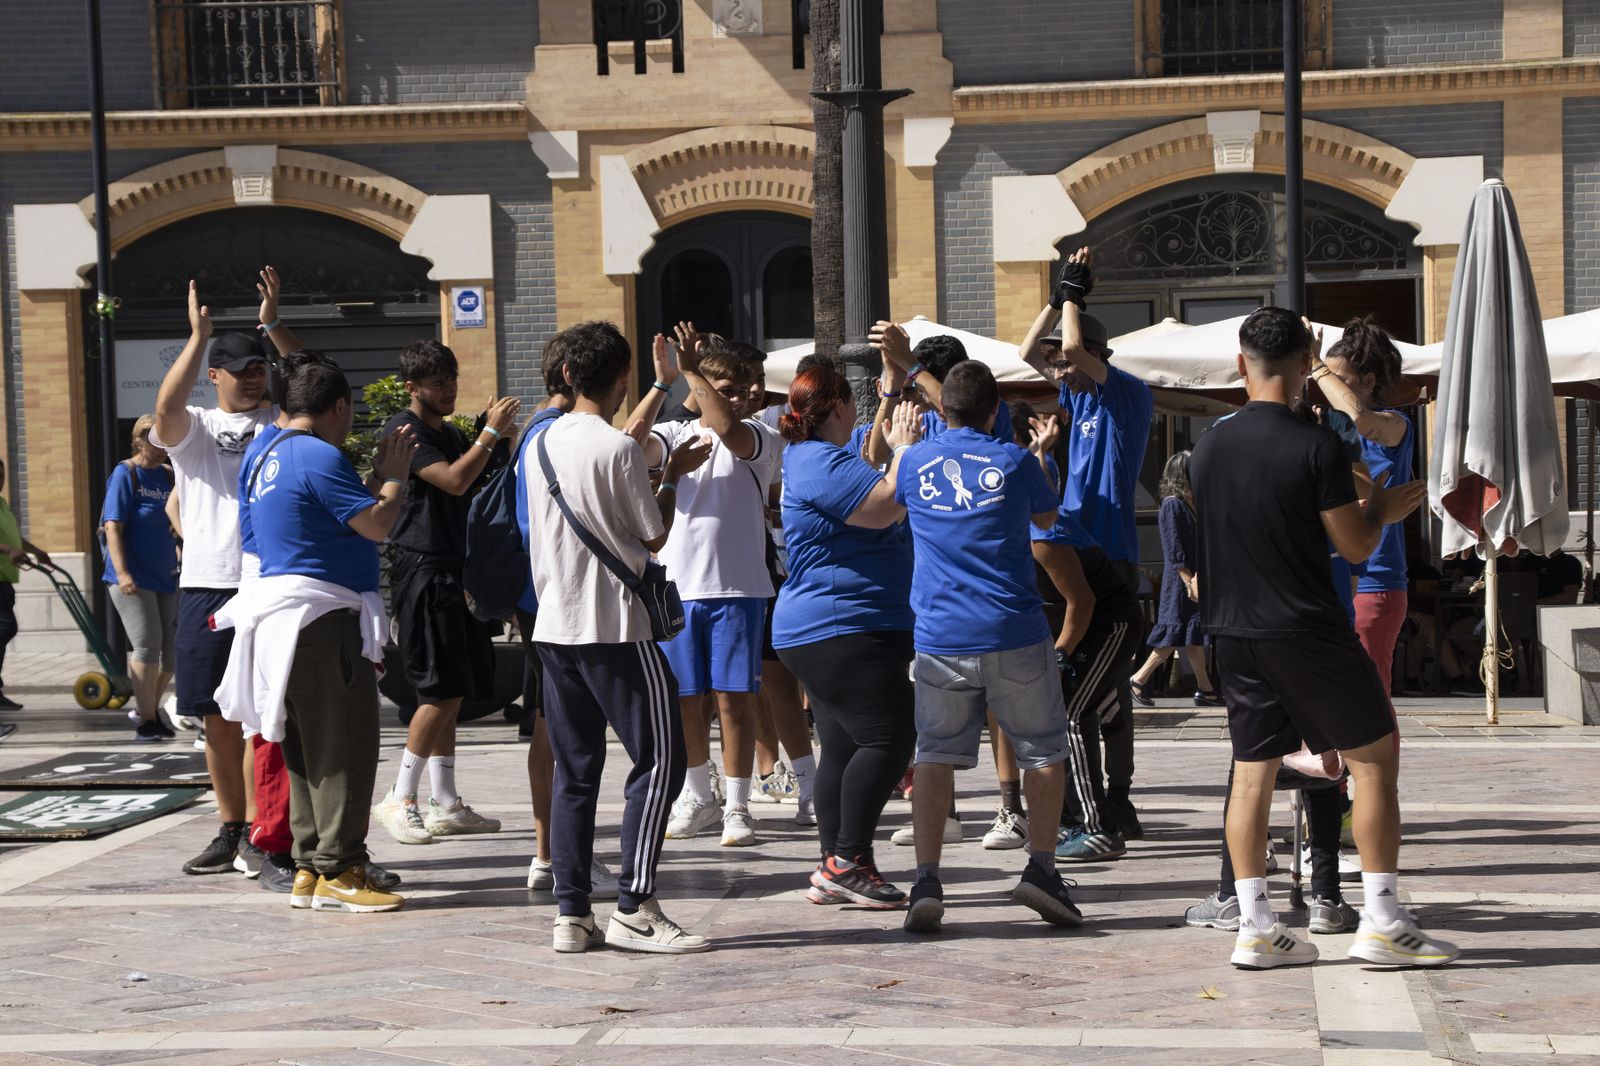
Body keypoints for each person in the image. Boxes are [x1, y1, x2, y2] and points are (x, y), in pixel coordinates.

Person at [1190, 306, 1453, 969]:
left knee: (1251, 777)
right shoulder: (1317, 446)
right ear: (1310, 357)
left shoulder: (1210, 445)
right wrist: (1382, 510)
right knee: (1373, 763)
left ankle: (1255, 927)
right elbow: (1358, 546)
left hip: (1234, 632)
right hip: (1306, 628)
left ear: (1242, 359)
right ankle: (1383, 921)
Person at [527, 320, 712, 955]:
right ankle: (633, 905)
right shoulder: (616, 449)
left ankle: (572, 912)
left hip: (555, 624)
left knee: (574, 771)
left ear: (568, 376)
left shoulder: (539, 444)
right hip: (616, 625)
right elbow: (653, 533)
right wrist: (672, 478)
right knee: (663, 759)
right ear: (622, 379)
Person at [894, 359, 1084, 935]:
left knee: (933, 755)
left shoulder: (916, 461)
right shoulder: (1017, 461)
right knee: (1043, 751)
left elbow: (887, 506)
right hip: (1013, 631)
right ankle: (1041, 869)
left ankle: (927, 878)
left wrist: (902, 448)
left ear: (939, 410)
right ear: (996, 410)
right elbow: (1049, 515)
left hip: (940, 636)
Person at [240, 360, 416, 912]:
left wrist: (370, 483)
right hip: (323, 619)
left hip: (282, 619)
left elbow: (307, 520)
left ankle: (309, 867)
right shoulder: (317, 453)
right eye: (349, 414)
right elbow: (377, 524)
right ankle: (340, 869)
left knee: (303, 749)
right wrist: (394, 475)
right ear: (339, 406)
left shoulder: (262, 454)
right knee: (344, 746)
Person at [772, 364, 924, 908]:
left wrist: (890, 392)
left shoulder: (822, 459)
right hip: (841, 623)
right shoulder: (816, 459)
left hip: (839, 624)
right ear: (838, 408)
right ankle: (847, 860)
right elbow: (882, 507)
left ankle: (835, 863)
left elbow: (869, 478)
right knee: (890, 737)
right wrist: (905, 450)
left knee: (841, 745)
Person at [1017, 247, 1153, 839]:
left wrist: (1075, 294)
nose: (1060, 371)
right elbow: (1028, 353)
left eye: (1069, 363)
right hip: (1074, 547)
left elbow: (1070, 350)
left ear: (1097, 356)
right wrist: (1055, 300)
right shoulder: (1076, 396)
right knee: (1086, 690)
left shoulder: (1125, 393)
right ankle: (1096, 801)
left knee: (1109, 693)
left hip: (1112, 551)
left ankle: (1117, 801)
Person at [151, 281, 277, 876]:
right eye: (239, 369)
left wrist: (273, 325)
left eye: (259, 367)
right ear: (215, 375)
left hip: (265, 584)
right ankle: (231, 827)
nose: (252, 377)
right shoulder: (196, 428)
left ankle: (262, 828)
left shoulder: (282, 419)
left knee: (261, 715)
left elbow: (318, 377)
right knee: (215, 717)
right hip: (206, 583)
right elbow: (164, 412)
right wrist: (198, 338)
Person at [372, 341, 520, 845]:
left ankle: (446, 800)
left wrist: (498, 442)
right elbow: (455, 482)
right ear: (412, 387)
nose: (449, 389)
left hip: (457, 570)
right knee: (438, 689)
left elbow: (478, 480)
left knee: (453, 689)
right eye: (438, 384)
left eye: (452, 380)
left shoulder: (451, 432)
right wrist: (490, 433)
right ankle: (400, 795)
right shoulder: (404, 432)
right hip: (424, 571)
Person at [646, 330, 784, 848]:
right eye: (719, 386)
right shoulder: (671, 435)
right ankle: (698, 796)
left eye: (734, 387)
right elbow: (629, 443)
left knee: (735, 700)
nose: (727, 396)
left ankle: (739, 806)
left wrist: (692, 371)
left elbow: (726, 426)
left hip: (738, 589)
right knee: (686, 700)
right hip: (678, 589)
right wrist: (665, 382)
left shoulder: (759, 438)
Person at [1312, 318, 1413, 706]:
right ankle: (1334, 766)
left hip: (1376, 582)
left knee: (1368, 698)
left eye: (1339, 380)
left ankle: (1370, 769)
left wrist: (1317, 366)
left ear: (1368, 382)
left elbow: (1359, 418)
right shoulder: (1332, 432)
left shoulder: (1395, 426)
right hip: (1339, 578)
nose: (1326, 389)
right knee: (1338, 694)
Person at [100, 414, 179, 741]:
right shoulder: (125, 474)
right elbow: (112, 526)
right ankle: (147, 721)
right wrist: (122, 572)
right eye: (154, 442)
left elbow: (174, 522)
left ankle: (147, 708)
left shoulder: (168, 476)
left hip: (166, 574)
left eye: (164, 442)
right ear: (138, 441)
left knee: (172, 653)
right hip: (131, 577)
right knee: (147, 645)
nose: (161, 449)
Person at [1129, 451, 1219, 707]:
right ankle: (1138, 679)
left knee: (1192, 633)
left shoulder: (1190, 505)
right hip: (1180, 582)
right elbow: (1174, 547)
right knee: (1174, 633)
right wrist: (1188, 581)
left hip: (1191, 580)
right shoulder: (1172, 504)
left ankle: (1205, 688)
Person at [0, 457, 50, 712]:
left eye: (2, 474)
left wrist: (35, 550)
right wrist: (7, 549)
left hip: (5, 579)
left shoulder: (2, 504)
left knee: (5, 627)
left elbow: (14, 536)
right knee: (6, 627)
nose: (0, 480)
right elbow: (7, 543)